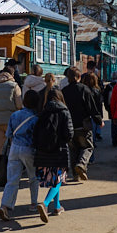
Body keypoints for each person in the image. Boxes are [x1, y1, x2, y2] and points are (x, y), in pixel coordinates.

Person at [0, 90, 41, 221]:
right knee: (33, 177)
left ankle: (5, 205)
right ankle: (34, 203)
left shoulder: (15, 115)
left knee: (12, 180)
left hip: (14, 148)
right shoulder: (36, 118)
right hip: (29, 149)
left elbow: (9, 134)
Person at [33, 87, 72, 221]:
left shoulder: (43, 112)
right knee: (59, 179)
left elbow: (35, 133)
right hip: (59, 152)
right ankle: (45, 204)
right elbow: (69, 133)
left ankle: (57, 206)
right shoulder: (64, 111)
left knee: (56, 179)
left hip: (43, 153)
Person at [61, 67, 101, 181]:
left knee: (73, 150)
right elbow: (91, 107)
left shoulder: (64, 91)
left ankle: (75, 175)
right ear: (79, 77)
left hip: (69, 125)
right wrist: (98, 120)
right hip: (83, 124)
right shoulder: (84, 89)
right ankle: (82, 164)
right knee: (88, 147)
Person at [0, 70, 22, 184]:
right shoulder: (14, 86)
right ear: (11, 76)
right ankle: (13, 172)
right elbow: (19, 105)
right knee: (14, 146)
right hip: (11, 121)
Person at [83, 71, 105, 146]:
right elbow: (99, 105)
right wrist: (100, 117)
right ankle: (93, 142)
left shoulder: (83, 90)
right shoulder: (96, 91)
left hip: (85, 114)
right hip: (94, 114)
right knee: (93, 130)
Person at [102, 71, 117, 147]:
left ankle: (114, 140)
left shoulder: (108, 86)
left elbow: (105, 98)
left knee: (113, 124)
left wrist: (107, 108)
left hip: (111, 107)